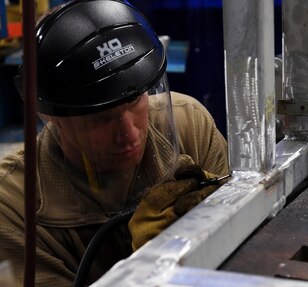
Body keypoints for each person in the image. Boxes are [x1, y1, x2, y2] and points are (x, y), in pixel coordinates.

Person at [0, 0, 228, 286]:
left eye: (135, 99)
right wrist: (152, 264)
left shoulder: (190, 126)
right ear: (50, 115)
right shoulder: (13, 210)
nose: (130, 135)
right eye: (99, 119)